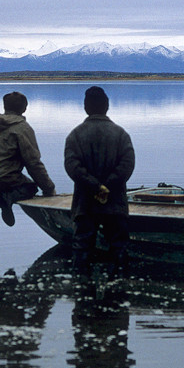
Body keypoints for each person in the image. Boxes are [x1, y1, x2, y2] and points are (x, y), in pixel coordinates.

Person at [0, 91, 56, 269]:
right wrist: (48, 189)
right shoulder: (22, 128)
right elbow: (33, 163)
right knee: (30, 187)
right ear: (24, 108)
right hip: (2, 180)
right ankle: (6, 199)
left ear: (5, 107)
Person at [64, 86, 135, 274]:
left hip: (85, 204)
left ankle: (82, 292)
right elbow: (127, 166)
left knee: (82, 249)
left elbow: (73, 167)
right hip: (115, 203)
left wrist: (94, 186)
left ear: (86, 107)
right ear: (107, 106)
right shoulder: (121, 134)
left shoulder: (75, 135)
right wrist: (106, 186)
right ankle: (118, 292)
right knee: (119, 248)